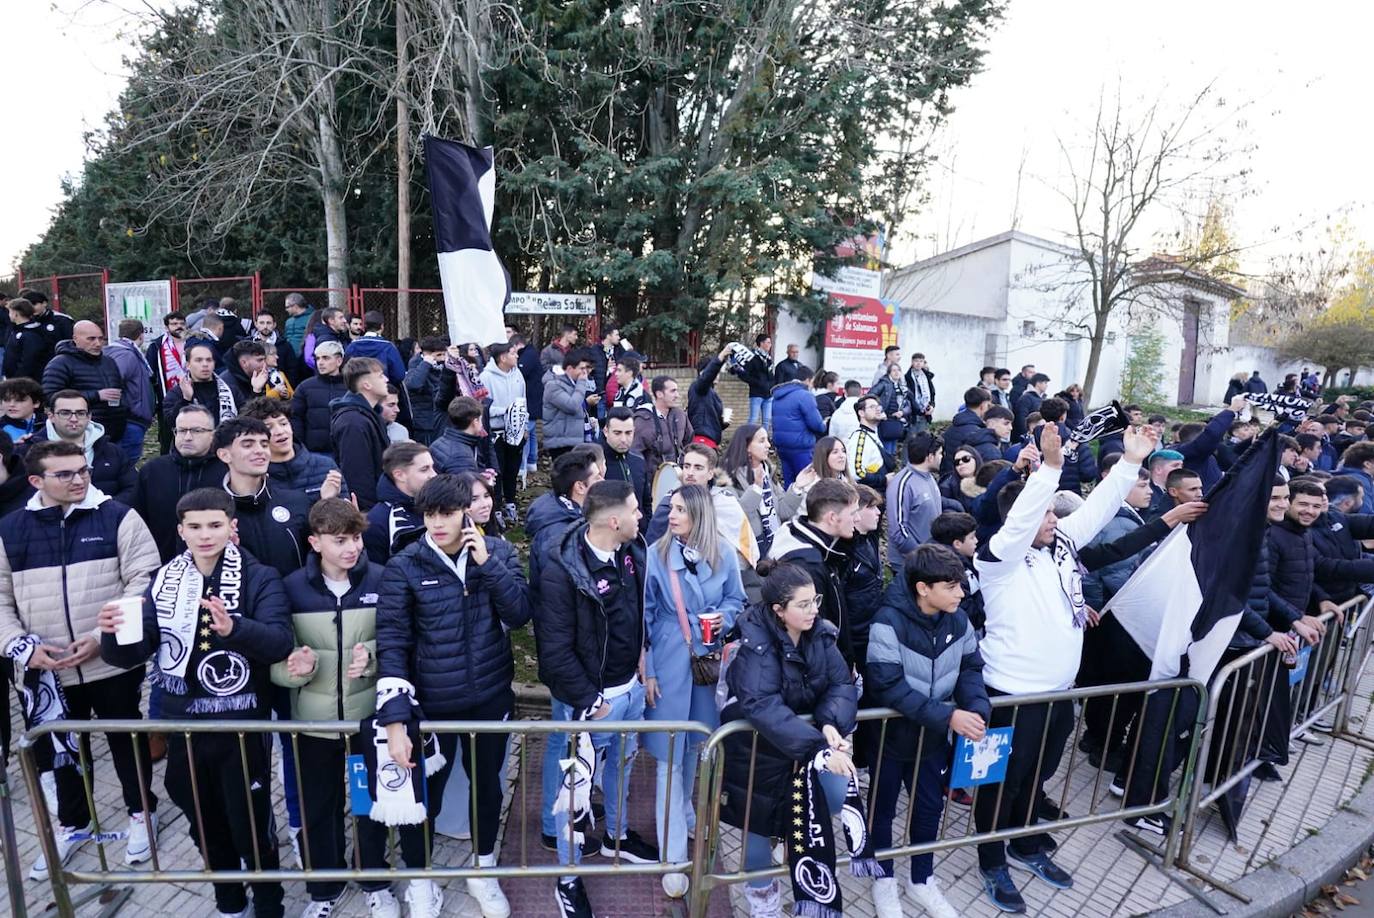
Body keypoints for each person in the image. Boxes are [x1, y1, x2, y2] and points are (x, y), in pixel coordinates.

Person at [970, 422, 1154, 911]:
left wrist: (1131, 463)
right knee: (1000, 781)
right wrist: (1049, 470)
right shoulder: (998, 559)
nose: (1053, 518)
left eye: (1053, 512)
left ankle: (1024, 840)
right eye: (1045, 512)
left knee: (1038, 774)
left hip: (1057, 692)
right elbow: (1026, 513)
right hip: (1010, 695)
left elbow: (1096, 511)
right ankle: (991, 859)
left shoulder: (1060, 548)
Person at [97, 487, 291, 918]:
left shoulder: (260, 577)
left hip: (242, 726)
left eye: (215, 525)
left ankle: (269, 903)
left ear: (231, 527)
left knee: (251, 824)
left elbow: (279, 643)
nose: (206, 535)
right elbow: (132, 654)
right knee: (201, 818)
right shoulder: (163, 580)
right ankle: (228, 899)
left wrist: (234, 628)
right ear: (181, 530)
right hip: (181, 723)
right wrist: (112, 633)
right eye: (196, 527)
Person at [0, 439, 160, 879]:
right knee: (60, 754)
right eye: (65, 473)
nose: (79, 479)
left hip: (109, 662)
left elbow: (143, 581)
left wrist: (99, 636)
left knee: (125, 741)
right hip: (44, 671)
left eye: (82, 470)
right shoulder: (9, 529)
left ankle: (141, 812)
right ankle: (73, 823)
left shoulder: (118, 516)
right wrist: (22, 646)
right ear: (36, 481)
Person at [377, 473, 531, 918]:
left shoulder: (497, 552)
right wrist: (395, 718)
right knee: (425, 795)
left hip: (489, 697)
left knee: (486, 788)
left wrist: (488, 565)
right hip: (433, 704)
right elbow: (393, 641)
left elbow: (519, 615)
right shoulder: (405, 565)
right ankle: (422, 880)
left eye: (446, 513)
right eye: (429, 514)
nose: (437, 523)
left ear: (466, 511)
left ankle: (482, 871)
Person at [272, 498, 419, 918]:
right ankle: (324, 890)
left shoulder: (382, 578)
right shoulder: (291, 588)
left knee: (368, 804)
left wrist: (370, 657)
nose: (351, 548)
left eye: (355, 538)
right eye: (339, 541)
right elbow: (277, 664)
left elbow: (400, 641)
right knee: (319, 808)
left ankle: (375, 881)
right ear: (315, 542)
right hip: (313, 724)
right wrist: (295, 670)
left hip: (367, 721)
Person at [537, 480, 658, 917]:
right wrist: (592, 701)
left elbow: (637, 615)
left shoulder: (632, 552)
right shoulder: (561, 570)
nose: (641, 515)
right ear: (613, 520)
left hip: (630, 692)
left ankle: (617, 837)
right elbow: (554, 652)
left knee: (622, 768)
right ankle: (567, 878)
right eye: (634, 510)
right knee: (575, 788)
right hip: (589, 704)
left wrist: (644, 658)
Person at [717, 559, 857, 918]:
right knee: (757, 828)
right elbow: (760, 703)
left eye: (816, 600)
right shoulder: (755, 643)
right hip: (756, 753)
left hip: (803, 748)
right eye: (804, 604)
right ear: (779, 611)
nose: (814, 610)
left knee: (825, 803)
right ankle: (762, 899)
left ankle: (802, 881)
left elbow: (841, 683)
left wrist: (829, 723)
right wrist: (818, 746)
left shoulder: (821, 634)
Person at [866, 543, 988, 918]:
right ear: (923, 588)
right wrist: (949, 717)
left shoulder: (958, 619)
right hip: (890, 738)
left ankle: (922, 879)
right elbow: (889, 685)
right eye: (951, 586)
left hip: (932, 740)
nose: (961, 593)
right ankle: (882, 879)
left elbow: (970, 668)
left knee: (929, 809)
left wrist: (976, 708)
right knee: (882, 810)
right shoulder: (887, 620)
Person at [643, 483, 747, 898]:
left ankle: (686, 811)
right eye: (672, 508)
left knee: (695, 747)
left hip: (707, 665)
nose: (672, 515)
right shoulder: (656, 555)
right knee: (669, 754)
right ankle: (671, 854)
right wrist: (648, 669)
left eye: (681, 510)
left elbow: (738, 601)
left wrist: (723, 617)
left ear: (699, 514)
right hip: (669, 660)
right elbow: (645, 618)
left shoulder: (722, 553)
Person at [770, 477, 859, 666]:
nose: (857, 519)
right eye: (853, 513)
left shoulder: (824, 549)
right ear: (832, 518)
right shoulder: (808, 565)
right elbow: (813, 631)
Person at [133, 404, 227, 562]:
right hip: (161, 565)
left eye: (196, 431)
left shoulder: (227, 471)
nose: (188, 437)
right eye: (182, 431)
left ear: (213, 435)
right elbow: (138, 522)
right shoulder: (152, 471)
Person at [20, 390, 137, 504]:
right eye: (65, 413)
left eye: (80, 413)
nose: (74, 419)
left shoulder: (113, 451)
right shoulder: (28, 451)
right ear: (51, 416)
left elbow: (133, 489)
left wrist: (104, 509)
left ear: (89, 416)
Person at [238, 398, 348, 503]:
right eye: (269, 427)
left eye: (283, 423)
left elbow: (346, 517)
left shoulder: (326, 466)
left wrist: (328, 501)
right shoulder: (253, 477)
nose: (280, 431)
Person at [42, 320, 129, 442]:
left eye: (101, 339)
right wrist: (96, 395)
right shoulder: (60, 363)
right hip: (80, 432)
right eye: (91, 339)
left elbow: (120, 389)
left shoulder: (108, 362)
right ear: (75, 339)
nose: (98, 343)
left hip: (115, 430)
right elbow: (50, 396)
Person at [330, 357, 391, 510]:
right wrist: (369, 513)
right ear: (366, 384)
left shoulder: (369, 415)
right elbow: (357, 476)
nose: (386, 379)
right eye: (380, 376)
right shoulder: (353, 422)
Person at [478, 341, 528, 521]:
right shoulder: (486, 377)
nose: (517, 356)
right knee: (497, 470)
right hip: (496, 431)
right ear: (502, 357)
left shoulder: (518, 375)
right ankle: (496, 507)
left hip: (516, 432)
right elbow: (483, 408)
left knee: (512, 469)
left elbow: (523, 401)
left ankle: (511, 503)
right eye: (513, 353)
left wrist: (524, 424)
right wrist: (505, 410)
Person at [364, 442, 437, 564]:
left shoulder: (439, 505)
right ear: (399, 475)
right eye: (424, 469)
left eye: (432, 467)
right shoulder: (378, 521)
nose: (434, 475)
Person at [886, 430, 944, 568]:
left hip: (929, 559)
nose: (943, 457)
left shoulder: (929, 477)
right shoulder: (903, 483)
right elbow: (898, 530)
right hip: (910, 564)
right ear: (930, 457)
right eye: (940, 453)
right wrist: (922, 556)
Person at [725, 424, 783, 558]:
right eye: (762, 441)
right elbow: (736, 515)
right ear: (746, 446)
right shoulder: (727, 476)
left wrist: (798, 489)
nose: (768, 445)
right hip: (749, 549)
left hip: (775, 541)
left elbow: (782, 510)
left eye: (767, 440)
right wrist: (756, 488)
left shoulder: (767, 470)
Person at [104, 319, 156, 463]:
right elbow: (114, 382)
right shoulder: (125, 355)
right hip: (130, 419)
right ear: (141, 334)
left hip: (129, 418)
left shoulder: (118, 351)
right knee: (126, 464)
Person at [164, 340, 240, 429]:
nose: (205, 364)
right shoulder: (178, 392)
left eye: (209, 360)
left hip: (224, 441)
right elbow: (170, 422)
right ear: (188, 365)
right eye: (198, 360)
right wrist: (186, 400)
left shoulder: (231, 391)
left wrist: (256, 391)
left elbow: (246, 418)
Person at [771, 365, 825, 487]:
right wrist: (824, 424)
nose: (812, 385)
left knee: (790, 485)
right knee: (806, 484)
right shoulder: (805, 395)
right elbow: (817, 425)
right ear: (808, 380)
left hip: (782, 446)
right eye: (812, 382)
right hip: (801, 447)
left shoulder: (778, 396)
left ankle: (788, 505)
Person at [777, 435, 854, 521]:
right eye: (835, 452)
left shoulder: (845, 480)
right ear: (824, 456)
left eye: (843, 451)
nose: (842, 456)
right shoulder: (811, 484)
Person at [291, 340, 348, 453]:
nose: (320, 363)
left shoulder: (351, 387)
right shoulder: (305, 387)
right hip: (314, 451)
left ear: (339, 361)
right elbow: (295, 418)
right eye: (317, 358)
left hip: (345, 450)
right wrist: (301, 447)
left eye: (326, 358)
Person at [601, 407, 651, 533]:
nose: (623, 439)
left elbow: (646, 503)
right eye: (617, 433)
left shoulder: (639, 461)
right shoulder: (595, 464)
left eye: (628, 433)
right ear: (606, 431)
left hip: (639, 537)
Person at [543, 349, 598, 460]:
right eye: (581, 369)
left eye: (586, 368)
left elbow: (577, 405)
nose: (585, 373)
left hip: (574, 440)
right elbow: (572, 406)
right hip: (561, 443)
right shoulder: (553, 385)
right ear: (569, 368)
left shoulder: (573, 384)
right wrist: (582, 383)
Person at [632, 375, 692, 471]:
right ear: (659, 394)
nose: (677, 395)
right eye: (673, 391)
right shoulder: (643, 420)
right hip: (653, 480)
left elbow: (689, 443)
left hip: (679, 476)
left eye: (676, 391)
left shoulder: (680, 415)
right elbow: (635, 454)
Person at [941, 387, 1004, 475]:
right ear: (982, 406)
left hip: (947, 478)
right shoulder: (978, 434)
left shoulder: (951, 428)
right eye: (988, 405)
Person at [429, 395, 497, 478]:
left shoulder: (438, 443)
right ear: (475, 422)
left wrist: (479, 474)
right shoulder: (462, 457)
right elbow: (464, 488)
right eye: (481, 419)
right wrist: (486, 484)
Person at [404, 336, 451, 446]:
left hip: (442, 420)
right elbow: (413, 384)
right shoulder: (417, 366)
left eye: (444, 354)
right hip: (425, 423)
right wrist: (426, 364)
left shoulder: (444, 366)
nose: (443, 358)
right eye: (439, 355)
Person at [344, 311, 407, 384]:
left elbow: (346, 371)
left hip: (359, 389)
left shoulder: (352, 346)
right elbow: (399, 375)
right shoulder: (388, 347)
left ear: (364, 326)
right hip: (382, 389)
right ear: (382, 326)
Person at [846, 394, 893, 489]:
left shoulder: (873, 433)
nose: (878, 409)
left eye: (878, 406)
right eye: (872, 407)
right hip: (871, 495)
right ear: (861, 413)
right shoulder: (860, 438)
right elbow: (856, 473)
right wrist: (883, 479)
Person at [687, 348, 731, 449]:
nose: (717, 376)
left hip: (711, 441)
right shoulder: (698, 388)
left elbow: (713, 422)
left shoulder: (711, 393)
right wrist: (721, 356)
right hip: (701, 441)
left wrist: (724, 422)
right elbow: (707, 377)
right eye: (716, 373)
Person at [515, 332, 544, 473]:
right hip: (533, 400)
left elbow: (520, 372)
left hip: (530, 400)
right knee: (531, 433)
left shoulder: (528, 355)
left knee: (525, 432)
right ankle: (532, 461)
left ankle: (523, 465)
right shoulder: (531, 353)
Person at [4, 297, 53, 381]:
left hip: (25, 383)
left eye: (10, 312)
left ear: (16, 314)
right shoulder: (15, 330)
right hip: (14, 380)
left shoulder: (31, 334)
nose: (8, 315)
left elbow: (28, 361)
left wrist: (17, 379)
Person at [732, 334, 775, 428]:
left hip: (768, 394)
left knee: (766, 421)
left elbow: (771, 375)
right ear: (761, 343)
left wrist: (772, 386)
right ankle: (749, 439)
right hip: (756, 393)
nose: (770, 345)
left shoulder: (768, 359)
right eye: (768, 342)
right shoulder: (752, 358)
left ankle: (763, 440)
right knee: (753, 419)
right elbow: (744, 374)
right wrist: (757, 383)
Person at [869, 362, 912, 452]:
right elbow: (871, 395)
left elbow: (908, 405)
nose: (897, 372)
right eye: (894, 370)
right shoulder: (884, 383)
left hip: (896, 421)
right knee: (886, 449)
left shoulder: (902, 386)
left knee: (892, 450)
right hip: (885, 420)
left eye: (898, 370)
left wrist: (902, 412)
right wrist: (879, 411)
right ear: (889, 373)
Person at [252, 309, 299, 382]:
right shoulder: (248, 344)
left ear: (274, 324)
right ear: (256, 324)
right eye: (261, 323)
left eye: (268, 323)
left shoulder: (284, 345)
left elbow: (292, 370)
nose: (265, 326)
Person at [0, 377, 43, 444]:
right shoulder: (1, 427)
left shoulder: (49, 423)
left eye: (19, 400)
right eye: (6, 400)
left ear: (36, 403)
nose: (12, 404)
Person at [939, 446, 984, 511]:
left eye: (966, 459)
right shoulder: (947, 487)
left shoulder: (989, 480)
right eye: (956, 462)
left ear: (976, 459)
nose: (961, 463)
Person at [589, 326, 626, 403]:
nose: (619, 337)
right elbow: (592, 372)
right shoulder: (594, 351)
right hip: (601, 394)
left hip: (617, 393)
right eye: (616, 335)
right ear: (609, 336)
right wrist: (607, 369)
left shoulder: (619, 350)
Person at [1013, 372, 1050, 440]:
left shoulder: (1042, 398)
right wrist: (1026, 435)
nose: (1047, 385)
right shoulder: (1026, 398)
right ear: (1038, 383)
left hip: (1038, 436)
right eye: (1045, 383)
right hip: (1028, 437)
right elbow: (1021, 418)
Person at [905, 353, 935, 432]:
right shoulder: (907, 377)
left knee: (922, 437)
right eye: (916, 361)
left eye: (921, 361)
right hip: (913, 413)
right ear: (912, 362)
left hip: (925, 411)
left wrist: (932, 405)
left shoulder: (927, 376)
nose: (918, 363)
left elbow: (932, 392)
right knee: (912, 438)